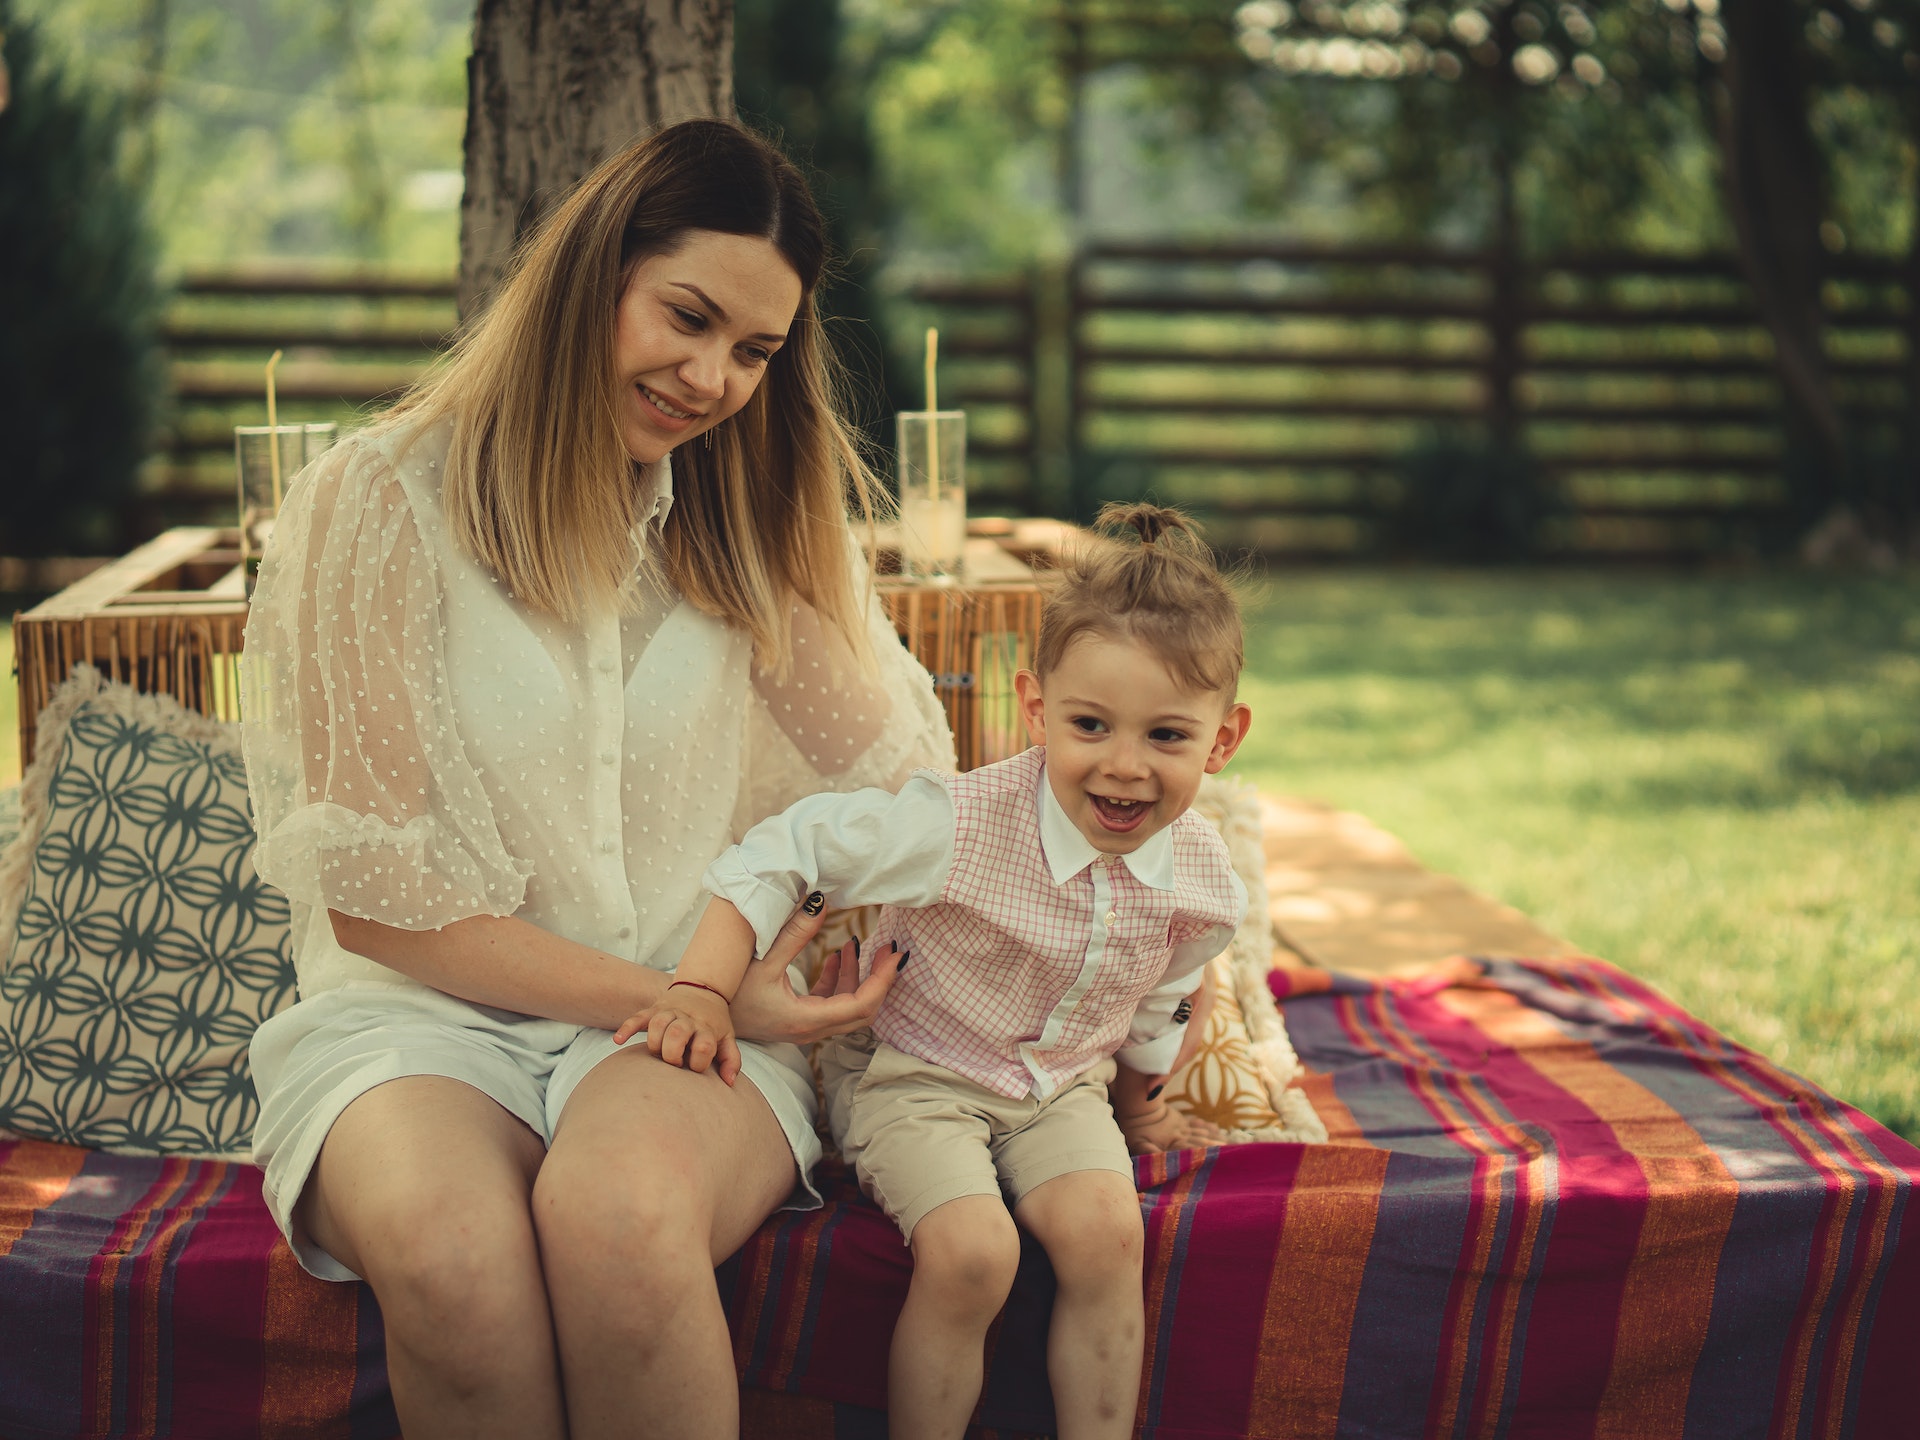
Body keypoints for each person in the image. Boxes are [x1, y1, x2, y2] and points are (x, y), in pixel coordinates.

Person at [240, 118, 954, 1440]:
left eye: (753, 352)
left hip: (685, 1026)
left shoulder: (750, 521)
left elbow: (907, 804)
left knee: (618, 1220)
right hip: (424, 1018)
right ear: (594, 275)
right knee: (455, 1263)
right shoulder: (380, 501)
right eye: (686, 317)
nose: (709, 377)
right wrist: (688, 990)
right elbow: (380, 899)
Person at [621, 503, 1254, 1440]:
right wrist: (702, 988)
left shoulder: (1203, 881)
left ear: (1223, 739)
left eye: (1166, 737)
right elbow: (785, 848)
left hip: (1057, 1087)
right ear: (1036, 707)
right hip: (913, 1074)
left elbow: (1160, 991)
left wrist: (1138, 1102)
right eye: (1089, 725)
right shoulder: (958, 825)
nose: (1124, 768)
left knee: (1108, 1235)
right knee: (972, 1250)